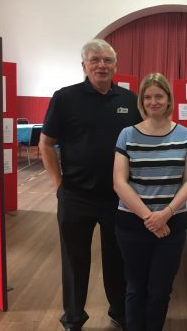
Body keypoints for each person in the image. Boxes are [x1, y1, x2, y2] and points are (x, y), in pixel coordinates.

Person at [39, 39, 142, 331]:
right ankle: (73, 317)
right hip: (75, 196)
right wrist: (58, 184)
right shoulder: (65, 97)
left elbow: (139, 142)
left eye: (107, 61)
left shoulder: (128, 99)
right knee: (74, 260)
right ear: (84, 65)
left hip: (117, 196)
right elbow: (46, 144)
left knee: (117, 258)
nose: (101, 65)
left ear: (115, 66)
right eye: (95, 60)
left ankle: (119, 311)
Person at [113, 72, 187, 331]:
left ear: (168, 98)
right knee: (135, 287)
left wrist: (165, 214)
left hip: (171, 224)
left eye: (158, 96)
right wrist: (150, 217)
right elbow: (119, 182)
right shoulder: (127, 134)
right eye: (147, 97)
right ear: (141, 101)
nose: (153, 101)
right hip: (132, 223)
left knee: (160, 290)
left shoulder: (185, 135)